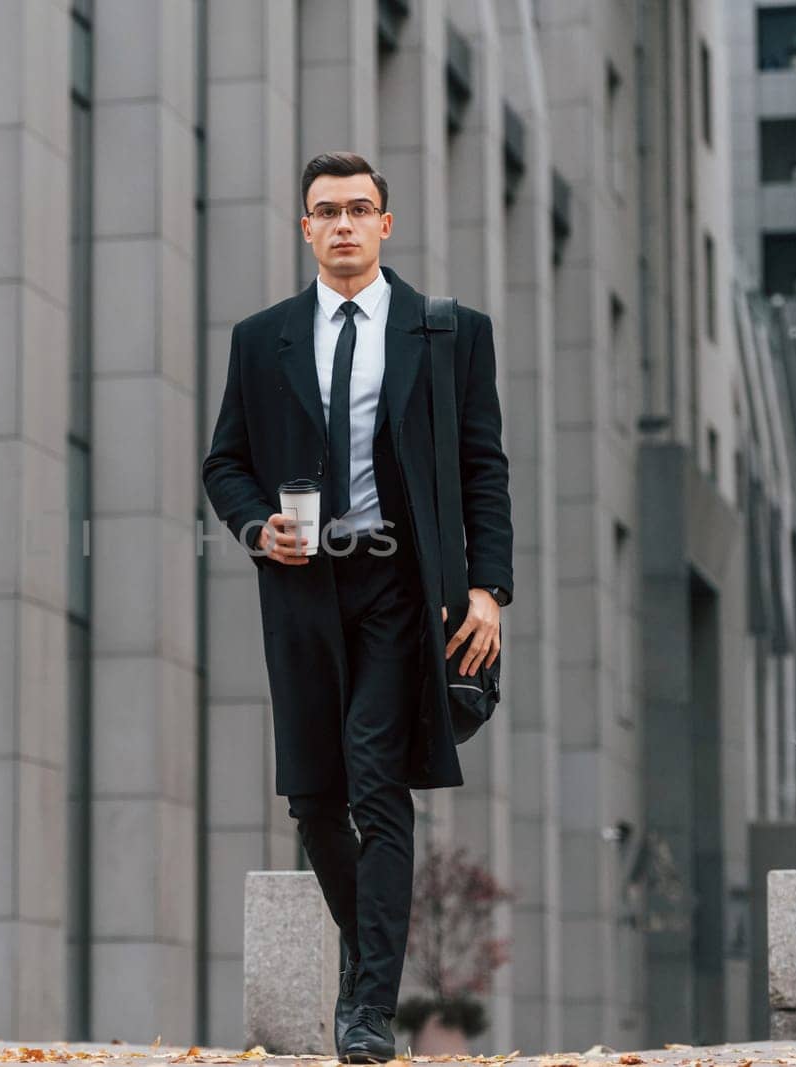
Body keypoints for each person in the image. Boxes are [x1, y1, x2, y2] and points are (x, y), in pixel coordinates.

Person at [200, 151, 514, 1063]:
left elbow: (483, 468)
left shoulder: (446, 333)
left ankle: (369, 1007)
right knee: (314, 798)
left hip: (399, 589)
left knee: (377, 776)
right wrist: (259, 528)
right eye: (325, 211)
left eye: (359, 209)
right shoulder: (262, 339)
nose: (343, 224)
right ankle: (366, 963)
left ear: (386, 223)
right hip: (302, 589)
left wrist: (488, 590)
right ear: (305, 228)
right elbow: (226, 462)